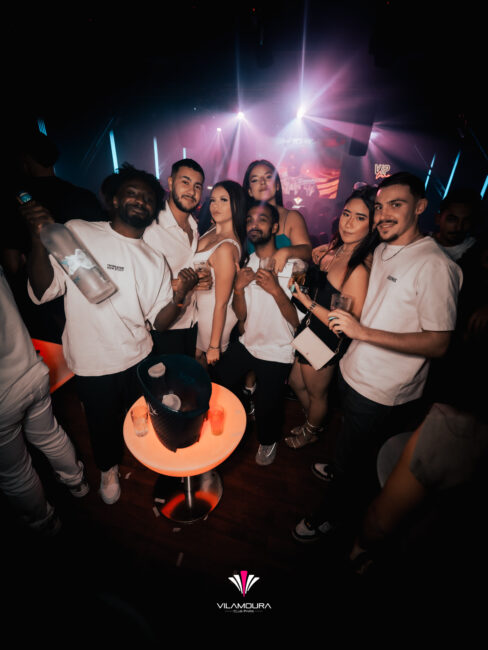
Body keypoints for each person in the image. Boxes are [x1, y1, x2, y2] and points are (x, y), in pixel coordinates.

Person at [293, 171, 463, 541]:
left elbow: (439, 343)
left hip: (383, 389)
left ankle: (330, 517)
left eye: (396, 205)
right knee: (349, 443)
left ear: (420, 207)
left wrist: (361, 332)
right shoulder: (384, 248)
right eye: (381, 206)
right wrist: (326, 252)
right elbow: (351, 259)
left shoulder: (435, 266)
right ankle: (340, 468)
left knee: (359, 464)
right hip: (354, 369)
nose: (384, 214)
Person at [24, 164, 198, 505]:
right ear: (114, 199)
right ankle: (108, 469)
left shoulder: (155, 260)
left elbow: (159, 322)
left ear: (154, 210)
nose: (141, 201)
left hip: (138, 356)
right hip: (93, 362)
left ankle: (151, 459)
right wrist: (37, 240)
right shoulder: (79, 233)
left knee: (148, 415)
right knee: (101, 424)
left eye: (148, 198)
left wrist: (180, 295)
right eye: (132, 193)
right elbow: (43, 291)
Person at [285, 185, 379, 449]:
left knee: (317, 394)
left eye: (360, 218)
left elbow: (344, 325)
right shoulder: (336, 249)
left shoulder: (358, 270)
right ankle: (314, 421)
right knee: (295, 382)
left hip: (325, 339)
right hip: (309, 328)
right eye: (347, 214)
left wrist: (307, 302)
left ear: (372, 225)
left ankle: (311, 431)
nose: (348, 223)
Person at [0, 265, 89, 535]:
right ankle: (77, 483)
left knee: (16, 472)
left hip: (3, 398)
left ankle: (44, 520)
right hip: (32, 370)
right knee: (50, 435)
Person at [215, 200, 299, 466]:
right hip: (248, 342)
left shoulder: (295, 266)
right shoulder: (247, 262)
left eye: (262, 219)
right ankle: (244, 407)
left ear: (274, 227)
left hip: (277, 349)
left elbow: (297, 321)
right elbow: (242, 315)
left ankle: (267, 441)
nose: (254, 224)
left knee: (268, 408)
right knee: (221, 379)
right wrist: (238, 289)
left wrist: (276, 290)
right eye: (250, 219)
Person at [3, 130, 106, 342]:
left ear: (25, 161)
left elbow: (12, 263)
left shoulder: (22, 205)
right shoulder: (82, 196)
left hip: (44, 307)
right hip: (91, 295)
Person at [142, 158, 208, 357]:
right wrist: (183, 284)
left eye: (197, 186)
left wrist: (200, 281)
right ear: (171, 183)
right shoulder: (151, 228)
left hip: (192, 321)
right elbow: (142, 282)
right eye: (185, 182)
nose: (191, 191)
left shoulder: (195, 226)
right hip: (163, 327)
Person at [192, 180, 247, 368]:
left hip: (214, 317)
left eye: (224, 200)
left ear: (236, 205)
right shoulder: (211, 229)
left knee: (203, 369)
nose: (215, 205)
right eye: (213, 200)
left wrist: (214, 346)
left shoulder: (226, 248)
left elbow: (222, 302)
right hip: (199, 311)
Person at [242, 159, 312, 271]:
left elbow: (307, 251)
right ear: (249, 191)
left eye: (268, 177)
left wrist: (286, 252)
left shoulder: (291, 217)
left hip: (285, 280)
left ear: (278, 185)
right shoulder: (243, 219)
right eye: (255, 180)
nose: (262, 182)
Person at [432, 188, 480, 264]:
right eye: (452, 220)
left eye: (466, 221)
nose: (459, 227)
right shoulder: (418, 241)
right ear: (438, 219)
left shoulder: (478, 251)